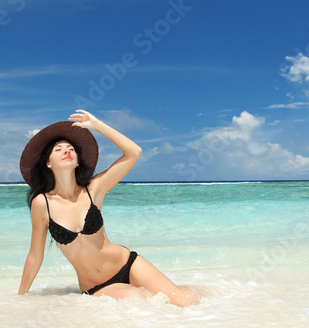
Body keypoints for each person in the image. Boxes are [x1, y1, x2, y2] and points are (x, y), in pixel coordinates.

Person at [18, 110, 202, 307]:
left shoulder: (94, 189)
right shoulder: (42, 203)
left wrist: (97, 125)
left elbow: (134, 152)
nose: (66, 151)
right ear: (47, 163)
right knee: (142, 300)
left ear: (78, 161)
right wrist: (19, 298)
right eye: (59, 149)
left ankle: (215, 290)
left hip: (128, 264)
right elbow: (35, 256)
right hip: (97, 286)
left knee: (184, 302)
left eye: (71, 149)